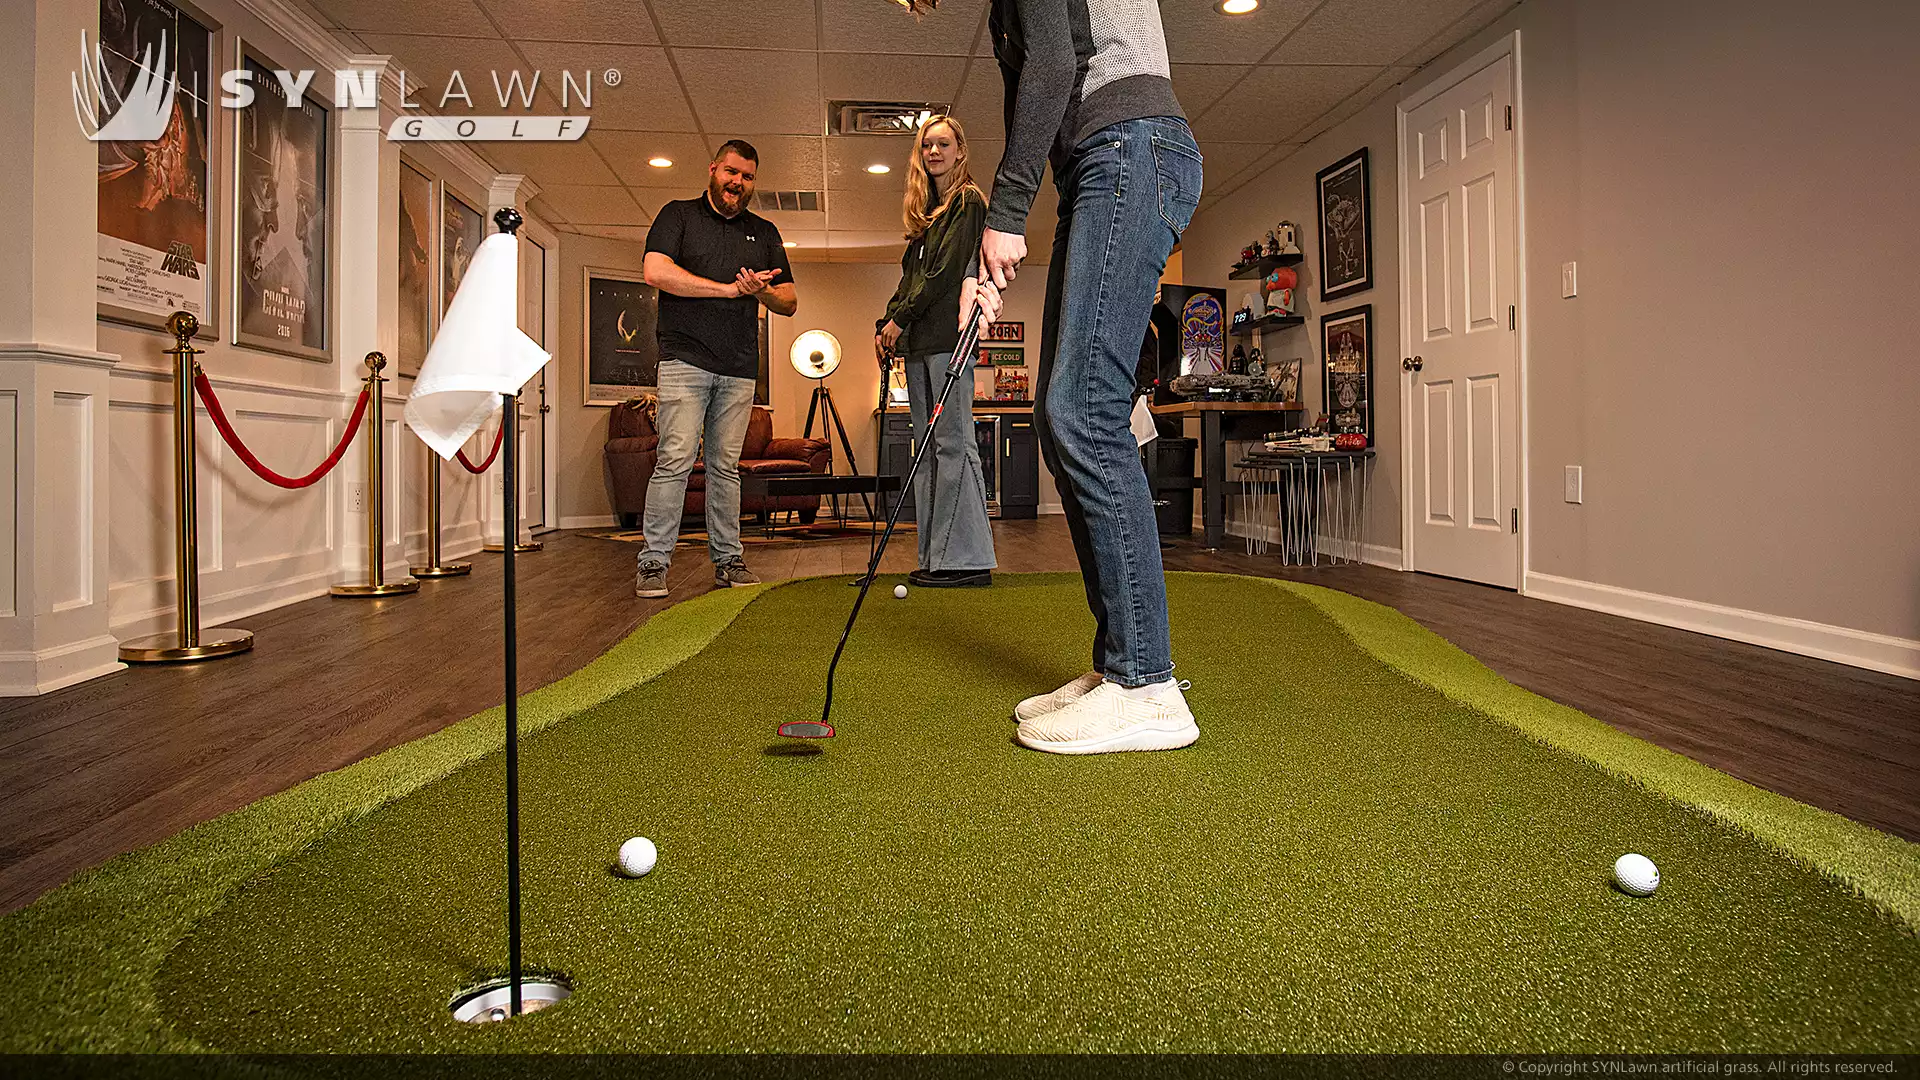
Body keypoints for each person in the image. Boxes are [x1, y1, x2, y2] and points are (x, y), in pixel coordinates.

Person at [936, 0, 1205, 754]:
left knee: (1085, 412)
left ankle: (1147, 682)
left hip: (1130, 149)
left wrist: (1009, 209)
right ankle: (1121, 659)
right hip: (1106, 160)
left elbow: (1054, 67)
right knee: (1062, 418)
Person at [634, 140, 798, 598]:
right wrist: (728, 291)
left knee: (726, 467)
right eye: (731, 172)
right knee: (675, 461)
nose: (737, 183)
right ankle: (653, 564)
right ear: (713, 169)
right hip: (685, 360)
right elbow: (656, 271)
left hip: (740, 367)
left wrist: (758, 292)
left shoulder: (764, 232)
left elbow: (789, 300)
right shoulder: (678, 215)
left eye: (747, 177)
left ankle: (728, 560)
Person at [876, 114, 996, 589]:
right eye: (927, 145)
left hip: (950, 342)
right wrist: (887, 324)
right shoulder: (928, 216)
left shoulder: (967, 203)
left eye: (943, 144)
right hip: (921, 346)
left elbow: (944, 273)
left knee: (953, 444)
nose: (934, 152)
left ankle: (966, 561)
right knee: (927, 452)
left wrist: (899, 319)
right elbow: (911, 278)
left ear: (960, 150)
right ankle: (936, 556)